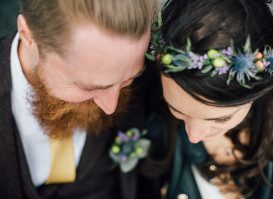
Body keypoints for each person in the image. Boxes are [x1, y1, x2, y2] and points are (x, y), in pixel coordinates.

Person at [0, 0, 159, 198]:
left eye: (129, 79)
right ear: (28, 34)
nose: (111, 107)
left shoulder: (154, 78)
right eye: (88, 87)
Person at [146, 0, 273, 198]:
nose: (194, 136)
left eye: (220, 119)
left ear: (259, 91)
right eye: (176, 109)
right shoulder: (150, 120)